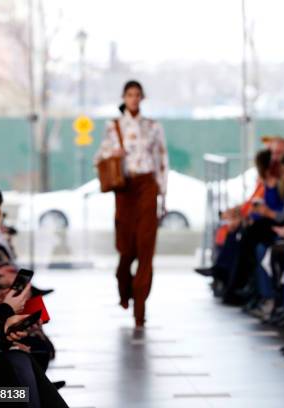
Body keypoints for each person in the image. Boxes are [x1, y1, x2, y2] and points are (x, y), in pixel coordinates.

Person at [94, 80, 169, 328]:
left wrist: (163, 196)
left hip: (147, 186)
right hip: (124, 189)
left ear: (142, 97)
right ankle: (123, 284)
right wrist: (111, 155)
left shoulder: (153, 126)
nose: (134, 99)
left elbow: (161, 161)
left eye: (137, 95)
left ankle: (140, 309)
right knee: (126, 248)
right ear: (124, 97)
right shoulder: (113, 126)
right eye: (129, 94)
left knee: (146, 248)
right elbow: (99, 157)